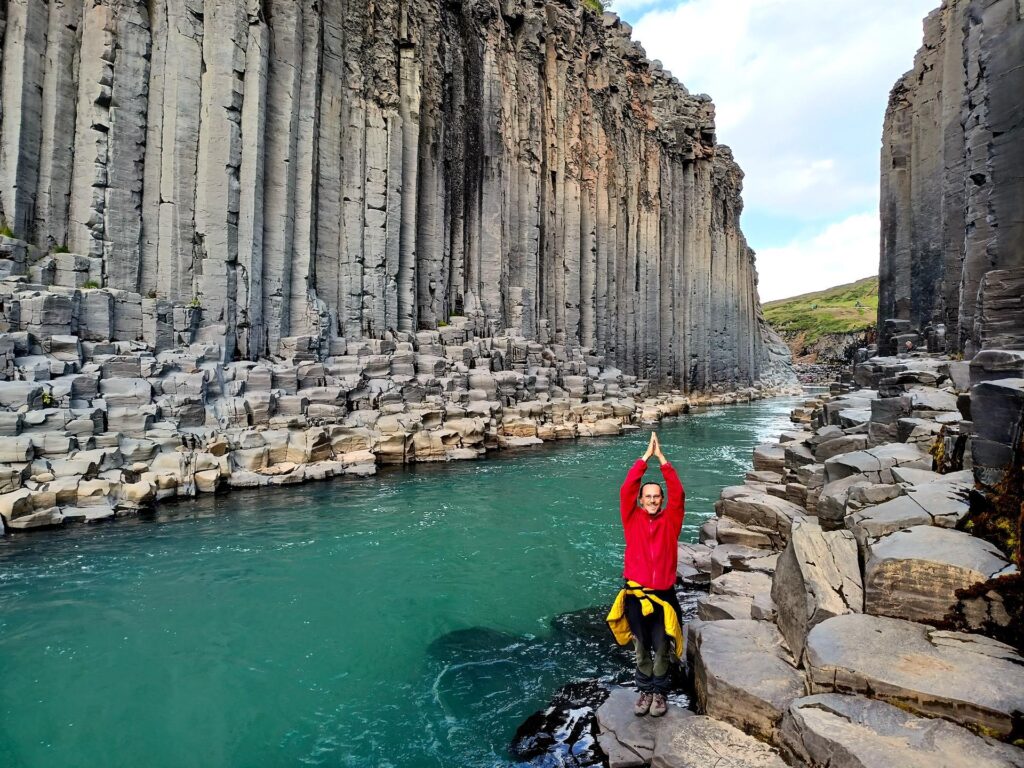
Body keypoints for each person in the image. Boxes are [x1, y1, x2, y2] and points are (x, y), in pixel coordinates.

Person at [605, 432, 685, 717]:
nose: (652, 500)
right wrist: (643, 458)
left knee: (662, 646)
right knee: (640, 649)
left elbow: (679, 494)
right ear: (640, 501)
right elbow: (626, 488)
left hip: (663, 596)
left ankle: (660, 694)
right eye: (647, 497)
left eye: (656, 496)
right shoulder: (632, 518)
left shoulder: (671, 520)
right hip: (636, 596)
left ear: (662, 500)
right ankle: (645, 691)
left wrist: (662, 460)